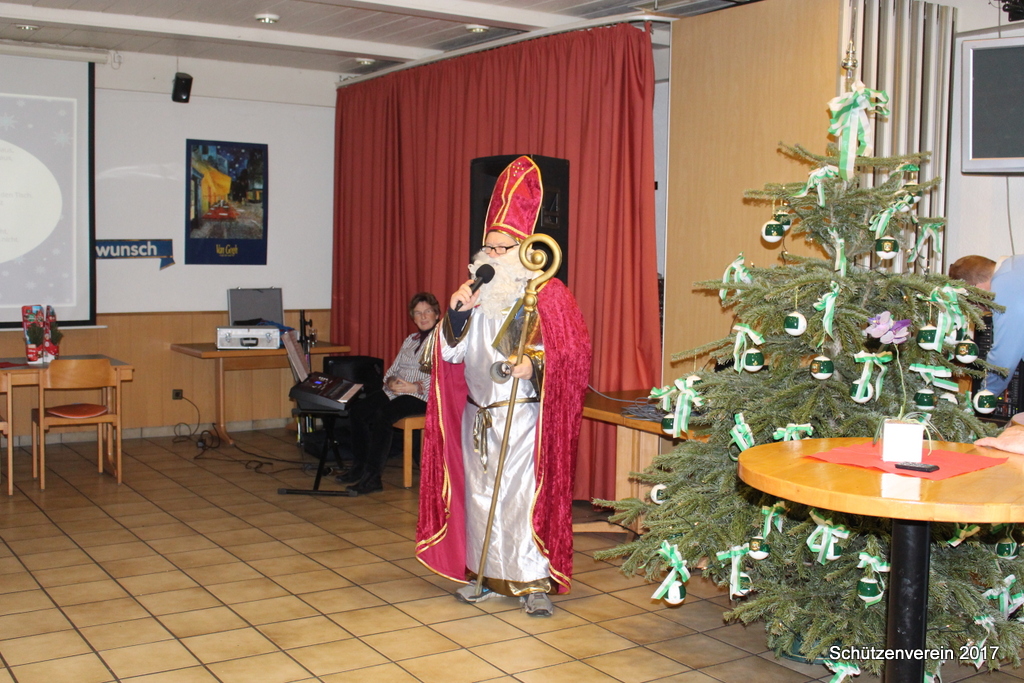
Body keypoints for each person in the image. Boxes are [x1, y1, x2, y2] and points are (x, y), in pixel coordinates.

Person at [415, 156, 591, 617]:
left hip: (524, 418)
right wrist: (456, 315)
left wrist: (534, 365)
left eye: (500, 248)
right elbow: (446, 356)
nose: (490, 256)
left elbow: (573, 356)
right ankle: (485, 577)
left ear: (523, 250)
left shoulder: (547, 296)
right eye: (486, 247)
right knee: (479, 498)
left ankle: (532, 582)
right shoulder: (473, 295)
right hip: (479, 417)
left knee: (519, 498)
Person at [339, 292, 439, 496]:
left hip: (422, 395)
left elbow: (442, 376)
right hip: (396, 391)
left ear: (437, 314)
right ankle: (359, 467)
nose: (423, 317)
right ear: (413, 317)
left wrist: (415, 387)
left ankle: (372, 478)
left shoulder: (442, 342)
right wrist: (391, 381)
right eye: (418, 313)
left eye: (427, 311)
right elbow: (393, 369)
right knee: (358, 410)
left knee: (382, 415)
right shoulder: (410, 340)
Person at [948, 254, 1024, 397]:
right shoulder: (1015, 265)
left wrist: (985, 394)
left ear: (976, 290)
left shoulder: (1004, 284)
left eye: (973, 304)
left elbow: (1003, 359)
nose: (983, 311)